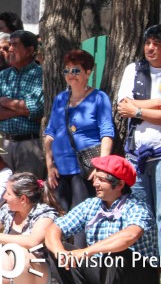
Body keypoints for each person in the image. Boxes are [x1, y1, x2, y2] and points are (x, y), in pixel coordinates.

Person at [45, 155, 160, 284]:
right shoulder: (91, 205)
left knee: (115, 251)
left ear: (120, 184)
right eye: (95, 178)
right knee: (58, 250)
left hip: (137, 283)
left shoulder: (137, 207)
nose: (95, 184)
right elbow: (54, 229)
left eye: (101, 180)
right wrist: (60, 253)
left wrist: (86, 252)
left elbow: (129, 236)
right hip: (102, 275)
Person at [116, 24, 161, 284]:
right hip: (137, 153)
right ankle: (142, 269)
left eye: (156, 43)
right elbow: (123, 105)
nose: (150, 47)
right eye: (147, 42)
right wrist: (159, 103)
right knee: (140, 213)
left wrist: (138, 109)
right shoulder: (133, 70)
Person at [44, 49, 114, 247]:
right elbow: (49, 133)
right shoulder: (60, 99)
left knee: (82, 218)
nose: (70, 75)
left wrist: (101, 167)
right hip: (60, 169)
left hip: (85, 170)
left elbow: (107, 133)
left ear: (88, 72)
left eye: (76, 70)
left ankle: (81, 263)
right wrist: (49, 165)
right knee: (58, 216)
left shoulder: (99, 98)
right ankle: (59, 263)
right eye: (66, 71)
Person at [0, 30, 45, 179]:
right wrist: (23, 110)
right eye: (9, 45)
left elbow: (36, 108)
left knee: (27, 192)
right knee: (1, 193)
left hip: (29, 145)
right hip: (3, 144)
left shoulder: (40, 74)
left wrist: (5, 102)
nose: (10, 49)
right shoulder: (3, 76)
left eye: (15, 45)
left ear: (29, 50)